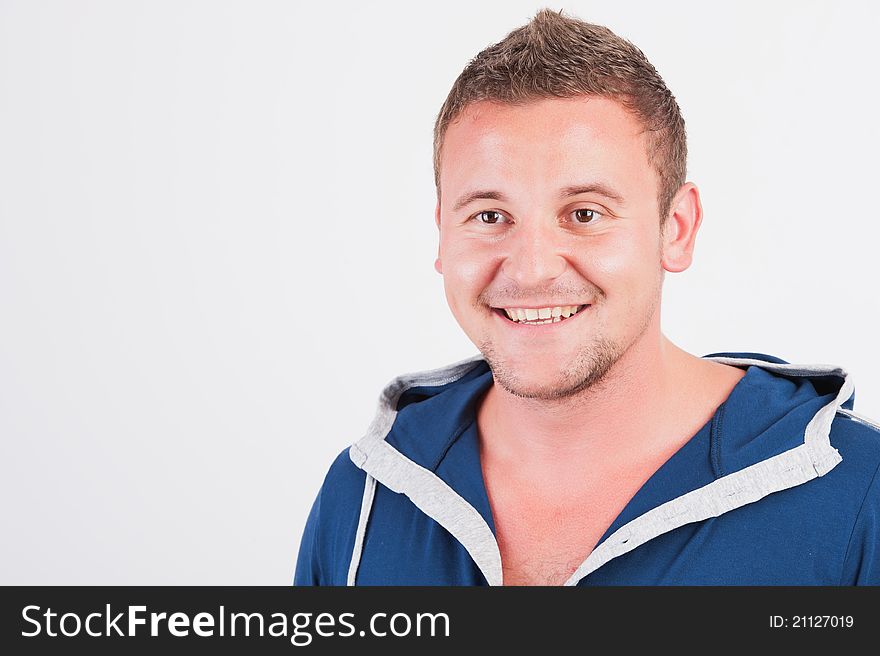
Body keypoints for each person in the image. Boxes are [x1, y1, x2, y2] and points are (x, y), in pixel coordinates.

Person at [294, 8, 880, 586]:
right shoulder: (364, 497)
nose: (531, 268)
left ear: (675, 228)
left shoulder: (859, 493)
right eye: (490, 214)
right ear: (442, 235)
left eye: (584, 214)